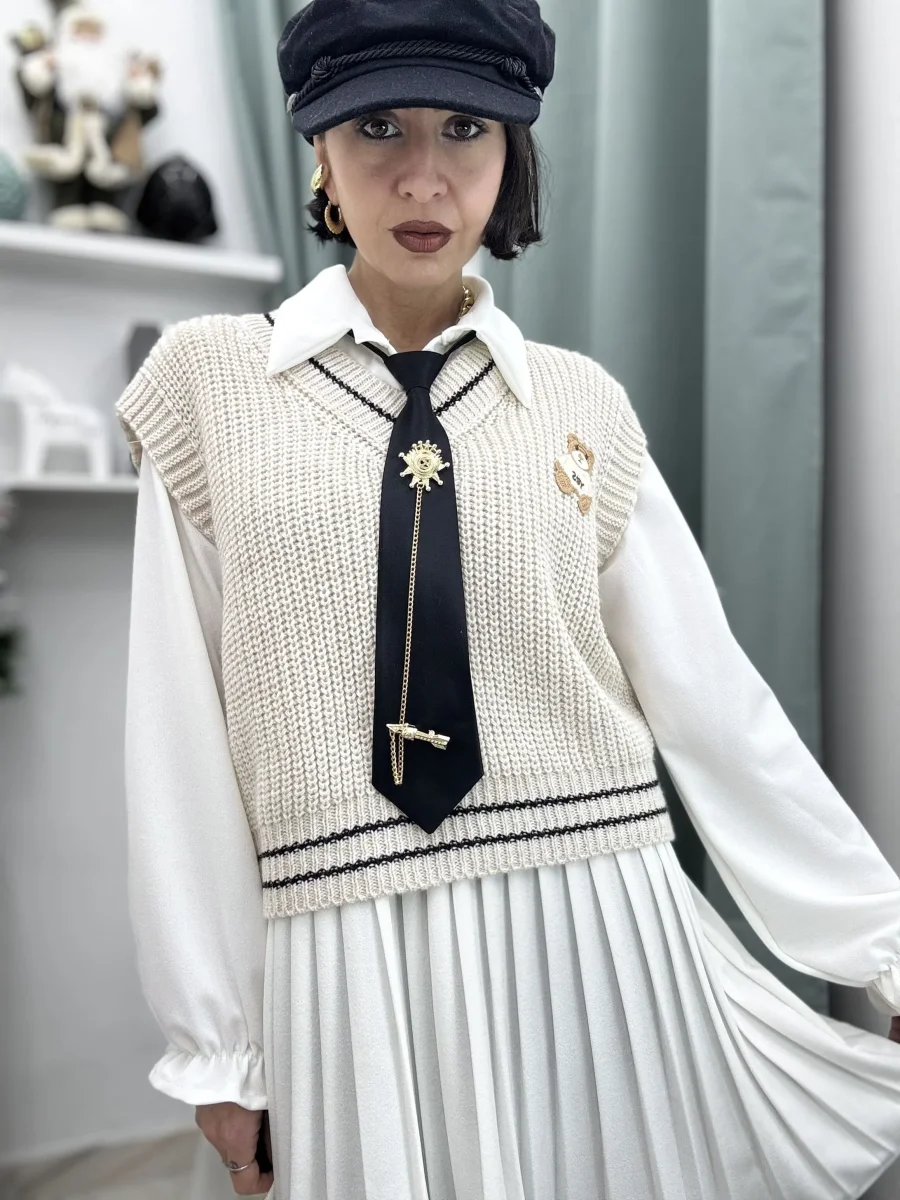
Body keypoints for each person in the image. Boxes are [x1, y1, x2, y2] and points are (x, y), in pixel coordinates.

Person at [116, 1, 900, 1196]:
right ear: (318, 143)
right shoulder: (208, 387)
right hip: (348, 951)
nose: (423, 177)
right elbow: (177, 743)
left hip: (600, 933)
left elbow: (717, 708)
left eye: (466, 129)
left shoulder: (584, 409)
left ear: (512, 149)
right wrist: (219, 1048)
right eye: (378, 126)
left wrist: (881, 945)